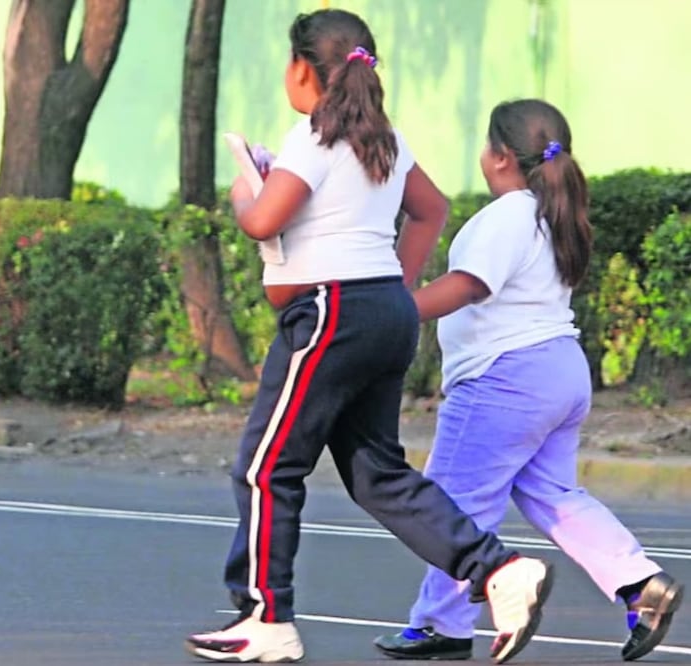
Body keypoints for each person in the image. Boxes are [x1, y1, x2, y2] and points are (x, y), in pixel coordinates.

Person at [184, 10, 554, 665]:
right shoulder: (384, 140)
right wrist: (393, 285)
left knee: (267, 467)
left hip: (331, 315)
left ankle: (265, 617)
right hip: (381, 312)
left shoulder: (312, 138)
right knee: (376, 474)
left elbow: (262, 220)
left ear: (303, 70)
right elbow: (430, 210)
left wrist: (246, 190)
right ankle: (498, 571)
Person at [373, 99, 684, 662]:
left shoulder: (508, 214)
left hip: (504, 378)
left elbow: (471, 284)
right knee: (553, 493)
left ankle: (442, 624)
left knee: (453, 502)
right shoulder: (551, 214)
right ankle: (639, 583)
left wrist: (394, 311)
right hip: (558, 370)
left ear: (499, 157)